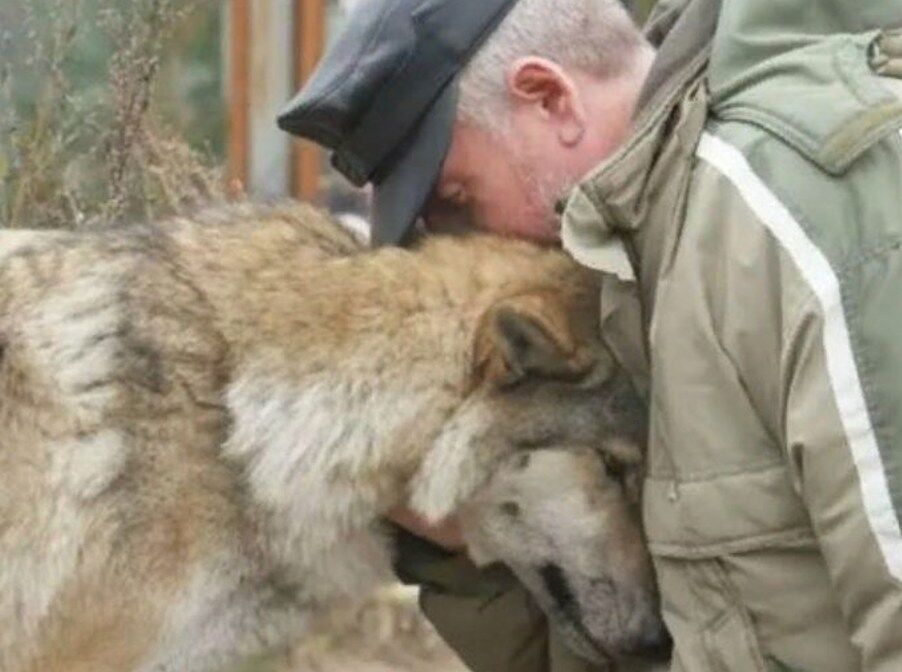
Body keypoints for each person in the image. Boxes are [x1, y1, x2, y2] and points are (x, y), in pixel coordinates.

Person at [278, 0, 902, 670]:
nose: (469, 251)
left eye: (459, 204)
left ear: (549, 99)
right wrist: (463, 547)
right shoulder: (633, 277)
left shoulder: (793, 207)